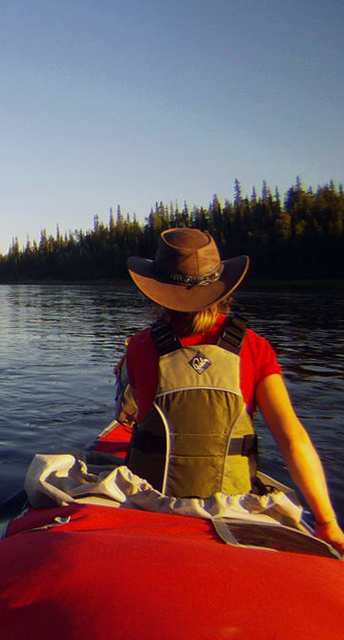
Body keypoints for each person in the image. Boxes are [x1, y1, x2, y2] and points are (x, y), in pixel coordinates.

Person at [115, 227, 344, 553]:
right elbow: (293, 439)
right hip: (232, 505)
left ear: (158, 291)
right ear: (223, 287)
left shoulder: (138, 346)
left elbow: (131, 414)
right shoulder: (255, 347)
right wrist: (326, 523)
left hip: (155, 501)